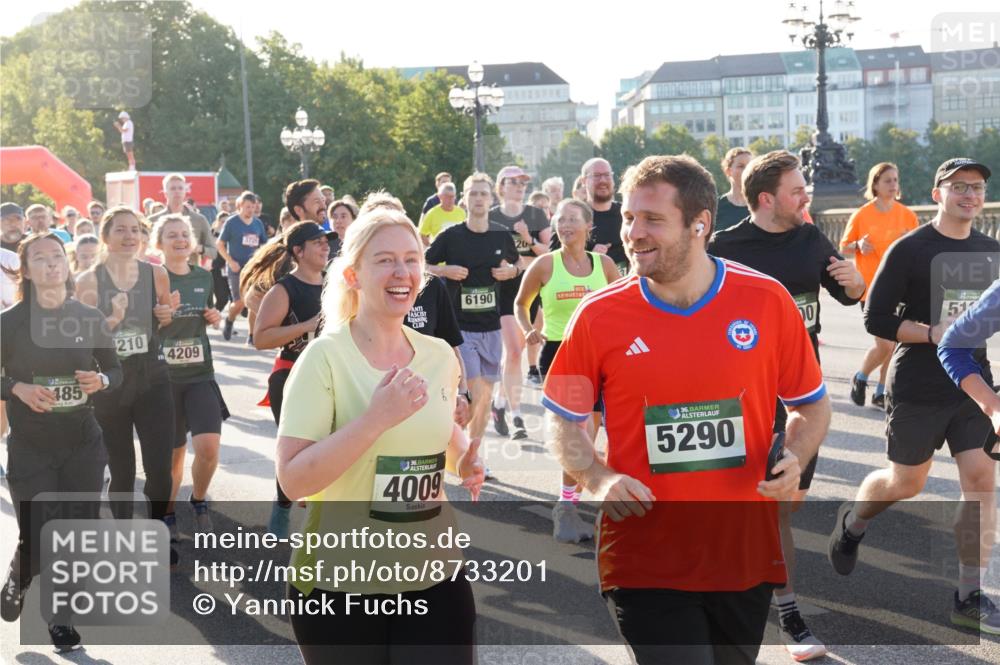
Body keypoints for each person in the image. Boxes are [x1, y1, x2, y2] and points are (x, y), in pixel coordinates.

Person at [543, 155, 830, 665]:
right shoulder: (598, 315)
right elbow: (562, 417)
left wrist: (795, 455)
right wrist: (597, 475)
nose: (633, 233)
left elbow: (811, 404)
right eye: (629, 217)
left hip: (742, 553)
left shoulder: (766, 300)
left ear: (700, 224)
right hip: (643, 555)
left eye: (653, 219)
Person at [276, 208, 483, 665]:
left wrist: (465, 459)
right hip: (340, 583)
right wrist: (374, 420)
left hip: (435, 574)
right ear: (353, 275)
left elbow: (439, 436)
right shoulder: (324, 358)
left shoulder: (438, 355)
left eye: (411, 259)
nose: (401, 271)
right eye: (385, 260)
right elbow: (293, 481)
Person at [829, 158, 1000, 634]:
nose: (969, 195)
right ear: (937, 193)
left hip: (972, 383)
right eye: (959, 187)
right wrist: (932, 332)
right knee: (907, 482)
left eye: (977, 188)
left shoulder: (992, 250)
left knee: (981, 481)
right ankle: (854, 521)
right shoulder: (910, 248)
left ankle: (968, 595)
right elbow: (876, 318)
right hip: (918, 384)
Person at [709, 150, 864, 661]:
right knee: (766, 507)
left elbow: (848, 295)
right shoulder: (724, 248)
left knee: (785, 505)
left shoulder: (812, 239)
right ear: (766, 199)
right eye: (797, 191)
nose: (806, 197)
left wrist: (857, 284)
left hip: (802, 399)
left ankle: (761, 583)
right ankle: (789, 613)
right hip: (745, 397)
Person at [0, 233, 122, 650]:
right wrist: (16, 388)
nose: (52, 263)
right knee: (37, 536)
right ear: (26, 269)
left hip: (82, 442)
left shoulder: (87, 316)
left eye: (57, 256)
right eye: (40, 258)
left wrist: (101, 379)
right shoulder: (10, 322)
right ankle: (20, 574)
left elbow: (114, 369)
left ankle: (61, 619)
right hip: (31, 447)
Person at [75, 207, 178, 561]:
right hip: (110, 382)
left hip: (152, 378)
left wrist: (166, 315)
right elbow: (81, 338)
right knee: (122, 469)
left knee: (159, 467)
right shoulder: (89, 281)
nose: (129, 236)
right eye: (121, 229)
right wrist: (114, 319)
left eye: (135, 229)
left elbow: (164, 320)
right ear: (105, 236)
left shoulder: (156, 274)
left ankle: (157, 531)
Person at [514, 198, 618, 543]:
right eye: (560, 220)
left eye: (573, 219)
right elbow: (520, 302)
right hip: (561, 353)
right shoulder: (545, 264)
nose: (565, 225)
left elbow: (623, 303)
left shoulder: (604, 265)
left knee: (591, 433)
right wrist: (528, 328)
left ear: (589, 226)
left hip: (600, 355)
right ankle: (566, 510)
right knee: (579, 433)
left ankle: (574, 504)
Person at [426, 173, 520, 473]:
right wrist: (446, 271)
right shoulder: (451, 236)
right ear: (464, 200)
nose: (478, 198)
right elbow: (422, 265)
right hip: (459, 328)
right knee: (474, 391)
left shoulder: (501, 235)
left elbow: (518, 263)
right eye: (473, 193)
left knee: (484, 398)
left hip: (491, 326)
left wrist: (512, 271)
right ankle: (465, 453)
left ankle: (470, 453)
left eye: (483, 193)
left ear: (491, 199)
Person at [251, 221, 333, 537]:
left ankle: (324, 516)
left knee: (332, 446)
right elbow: (261, 338)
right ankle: (282, 510)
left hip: (329, 377)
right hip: (291, 376)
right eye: (317, 242)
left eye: (326, 241)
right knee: (295, 450)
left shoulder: (335, 284)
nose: (325, 246)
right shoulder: (284, 289)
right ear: (298, 251)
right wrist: (307, 326)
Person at [155, 215, 229, 539]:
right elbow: (141, 328)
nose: (180, 240)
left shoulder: (204, 276)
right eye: (172, 235)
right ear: (159, 243)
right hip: (165, 379)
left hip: (200, 374)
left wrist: (214, 316)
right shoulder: (153, 279)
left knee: (209, 448)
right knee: (175, 455)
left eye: (184, 234)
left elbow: (209, 313)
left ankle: (198, 500)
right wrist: (161, 317)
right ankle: (168, 513)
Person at [842, 163, 920, 409]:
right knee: (885, 344)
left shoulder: (907, 215)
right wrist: (858, 246)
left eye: (895, 180)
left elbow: (919, 251)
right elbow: (844, 246)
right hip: (871, 288)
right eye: (887, 180)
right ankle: (861, 376)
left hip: (901, 288)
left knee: (894, 344)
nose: (893, 185)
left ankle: (880, 391)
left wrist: (909, 244)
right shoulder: (862, 214)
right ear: (875, 184)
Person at [489, 166, 552, 439]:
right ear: (501, 186)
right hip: (503, 290)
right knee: (514, 352)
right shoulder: (491, 217)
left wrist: (528, 240)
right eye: (513, 182)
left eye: (523, 182)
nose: (519, 186)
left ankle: (499, 402)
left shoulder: (536, 215)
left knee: (519, 351)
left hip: (531, 288)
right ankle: (517, 417)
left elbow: (549, 252)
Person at [216, 191, 268, 341]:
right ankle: (230, 320)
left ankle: (252, 334)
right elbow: (220, 244)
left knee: (254, 299)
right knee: (239, 303)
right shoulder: (231, 222)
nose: (250, 210)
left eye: (253, 207)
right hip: (236, 268)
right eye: (247, 207)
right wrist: (230, 261)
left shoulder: (257, 223)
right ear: (240, 206)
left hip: (253, 269)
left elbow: (263, 244)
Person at [148, 173, 218, 268]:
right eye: (173, 188)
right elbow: (145, 251)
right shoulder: (153, 220)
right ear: (165, 193)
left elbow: (213, 252)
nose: (177, 191)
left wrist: (199, 248)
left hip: (191, 272)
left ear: (185, 192)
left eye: (180, 188)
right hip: (161, 272)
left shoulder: (199, 220)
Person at [715, 147, 753, 233]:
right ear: (728, 171)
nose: (746, 170)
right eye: (741, 166)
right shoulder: (716, 207)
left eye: (749, 166)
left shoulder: (761, 205)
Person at [418, 182, 466, 246]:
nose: (450, 199)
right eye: (447, 197)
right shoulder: (432, 213)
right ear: (440, 197)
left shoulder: (461, 212)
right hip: (440, 251)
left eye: (452, 196)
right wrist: (432, 248)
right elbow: (422, 234)